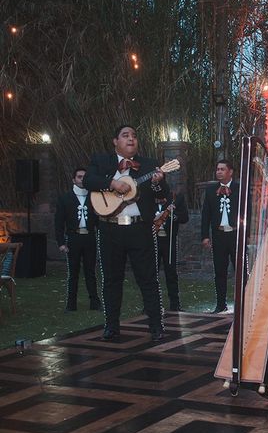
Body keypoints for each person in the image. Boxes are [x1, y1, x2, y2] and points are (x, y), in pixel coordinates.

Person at [84, 124, 169, 341]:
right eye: (125, 135)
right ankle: (111, 326)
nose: (131, 139)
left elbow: (164, 195)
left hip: (140, 228)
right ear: (115, 141)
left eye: (134, 136)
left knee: (148, 279)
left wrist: (158, 183)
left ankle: (156, 326)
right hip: (109, 228)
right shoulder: (101, 161)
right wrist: (111, 183)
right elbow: (88, 180)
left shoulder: (149, 164)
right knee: (111, 279)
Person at [54, 167, 101, 312]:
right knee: (73, 273)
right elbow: (58, 222)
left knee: (90, 272)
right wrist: (61, 243)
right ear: (74, 179)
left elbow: (99, 221)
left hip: (89, 237)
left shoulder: (94, 197)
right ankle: (71, 303)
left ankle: (94, 302)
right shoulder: (65, 198)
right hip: (73, 238)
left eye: (84, 177)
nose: (82, 180)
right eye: (79, 177)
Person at [201, 160, 238, 313]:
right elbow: (206, 215)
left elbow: (247, 212)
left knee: (240, 271)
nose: (219, 172)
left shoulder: (239, 188)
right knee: (219, 272)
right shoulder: (211, 190)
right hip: (219, 236)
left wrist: (247, 234)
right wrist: (205, 236)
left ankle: (242, 304)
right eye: (217, 169)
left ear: (230, 172)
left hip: (236, 236)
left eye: (222, 169)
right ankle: (221, 304)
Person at [154, 192, 189, 311]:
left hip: (169, 241)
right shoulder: (148, 197)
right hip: (153, 240)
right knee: (151, 274)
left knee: (171, 273)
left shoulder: (174, 199)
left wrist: (173, 215)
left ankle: (175, 305)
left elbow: (184, 217)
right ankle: (151, 305)